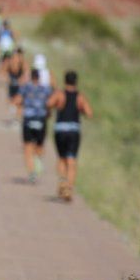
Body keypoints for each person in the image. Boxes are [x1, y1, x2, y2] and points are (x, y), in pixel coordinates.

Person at [47, 70, 92, 202]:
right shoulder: (80, 97)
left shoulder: (59, 94)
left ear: (65, 80)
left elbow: (48, 103)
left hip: (60, 129)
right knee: (71, 160)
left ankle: (62, 181)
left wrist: (55, 108)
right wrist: (80, 110)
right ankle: (69, 187)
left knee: (61, 158)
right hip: (73, 130)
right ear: (76, 82)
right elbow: (89, 113)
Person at [15, 68, 52, 183]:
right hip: (41, 118)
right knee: (39, 145)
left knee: (27, 147)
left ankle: (31, 172)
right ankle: (38, 160)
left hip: (29, 118)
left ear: (31, 77)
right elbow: (50, 103)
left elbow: (17, 100)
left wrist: (21, 105)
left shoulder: (25, 87)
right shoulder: (46, 89)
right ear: (39, 77)